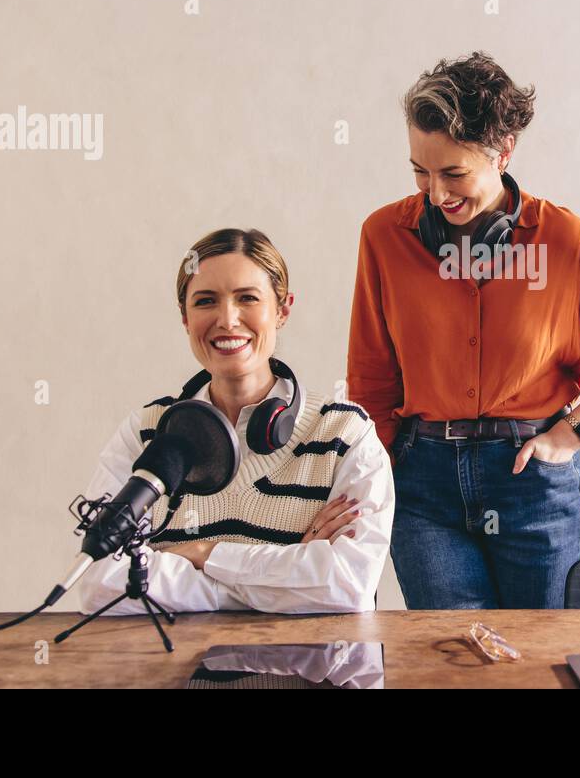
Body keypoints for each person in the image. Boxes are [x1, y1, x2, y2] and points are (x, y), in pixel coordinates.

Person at [348, 51, 580, 609]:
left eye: (454, 173)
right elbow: (372, 377)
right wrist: (377, 476)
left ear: (504, 152)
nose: (435, 194)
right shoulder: (383, 236)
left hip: (534, 486)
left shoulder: (568, 241)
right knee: (454, 662)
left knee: (538, 662)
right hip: (423, 489)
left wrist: (576, 432)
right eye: (420, 171)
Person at [76, 228, 394, 615]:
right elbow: (97, 584)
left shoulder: (346, 434)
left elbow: (347, 585)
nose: (227, 320)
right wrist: (287, 574)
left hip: (304, 675)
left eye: (247, 298)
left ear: (282, 310)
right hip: (176, 674)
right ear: (184, 318)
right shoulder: (145, 432)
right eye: (206, 301)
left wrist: (203, 553)